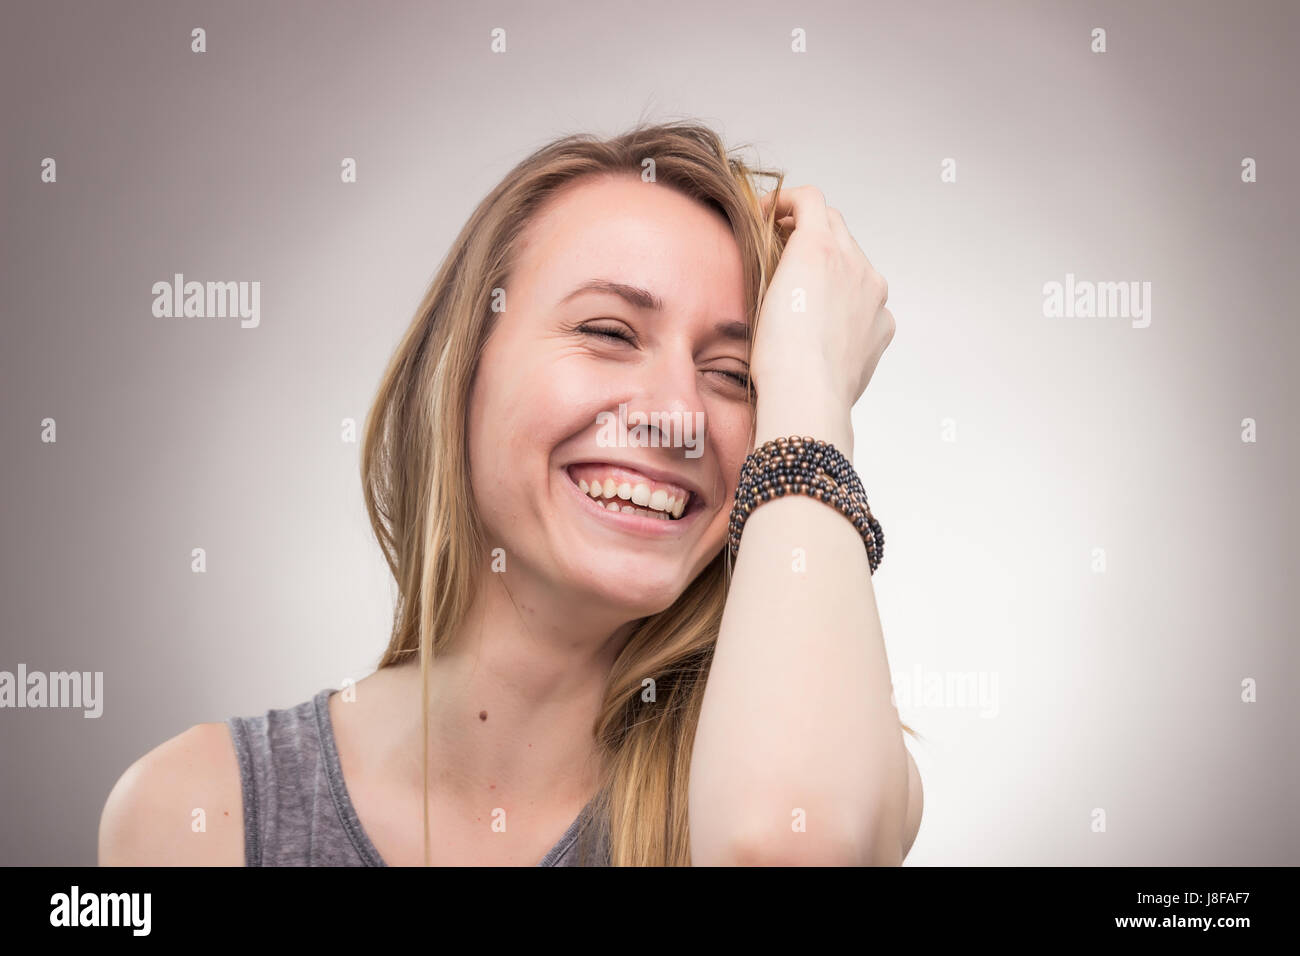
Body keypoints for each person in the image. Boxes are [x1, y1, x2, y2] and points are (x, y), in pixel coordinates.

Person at [98, 120, 922, 866]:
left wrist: (811, 388)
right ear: (459, 374)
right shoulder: (198, 813)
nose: (679, 418)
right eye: (607, 332)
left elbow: (781, 849)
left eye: (737, 375)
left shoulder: (833, 752)